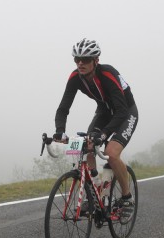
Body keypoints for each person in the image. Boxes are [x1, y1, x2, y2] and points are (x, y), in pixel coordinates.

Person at [53, 38, 138, 208]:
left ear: (96, 60)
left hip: (126, 112)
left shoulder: (107, 74)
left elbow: (121, 111)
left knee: (111, 153)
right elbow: (63, 108)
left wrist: (104, 134)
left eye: (85, 60)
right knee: (86, 146)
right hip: (104, 112)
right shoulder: (75, 77)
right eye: (77, 59)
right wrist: (60, 130)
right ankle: (95, 191)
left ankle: (127, 198)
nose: (80, 63)